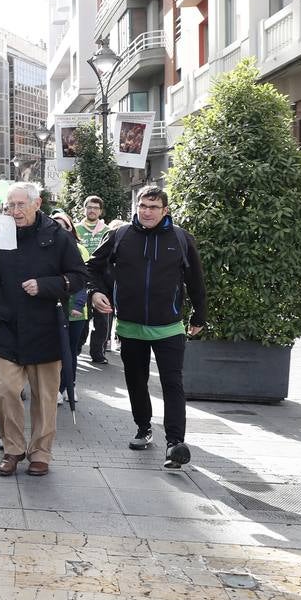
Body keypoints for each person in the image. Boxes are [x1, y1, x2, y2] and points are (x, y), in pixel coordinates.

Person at [89, 185, 207, 469]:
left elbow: (196, 281)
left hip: (169, 326)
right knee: (136, 381)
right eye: (142, 205)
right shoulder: (120, 235)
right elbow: (91, 267)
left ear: (165, 210)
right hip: (130, 326)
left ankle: (175, 443)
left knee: (172, 383)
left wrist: (199, 316)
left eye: (153, 207)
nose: (146, 211)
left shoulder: (180, 238)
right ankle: (143, 427)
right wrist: (95, 292)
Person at [0, 183, 86, 477]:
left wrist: (47, 286)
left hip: (46, 327)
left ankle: (40, 453)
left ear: (37, 203)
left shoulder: (58, 236)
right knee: (2, 391)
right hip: (9, 326)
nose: (14, 212)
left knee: (45, 397)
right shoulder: (3, 236)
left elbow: (79, 277)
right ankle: (13, 449)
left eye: (20, 205)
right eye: (9, 206)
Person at [51, 212, 92, 402]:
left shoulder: (80, 249)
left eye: (64, 226)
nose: (60, 230)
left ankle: (69, 385)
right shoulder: (45, 248)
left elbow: (85, 279)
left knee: (71, 351)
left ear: (71, 229)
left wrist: (79, 304)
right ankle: (57, 388)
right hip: (53, 309)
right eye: (55, 226)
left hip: (76, 311)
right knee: (56, 350)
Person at [76, 196, 111, 364]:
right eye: (89, 207)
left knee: (102, 320)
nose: (92, 210)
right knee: (82, 318)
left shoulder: (108, 231)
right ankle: (76, 347)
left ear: (100, 211)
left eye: (96, 208)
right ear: (84, 209)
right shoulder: (76, 230)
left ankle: (98, 353)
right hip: (80, 279)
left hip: (101, 280)